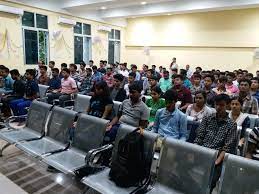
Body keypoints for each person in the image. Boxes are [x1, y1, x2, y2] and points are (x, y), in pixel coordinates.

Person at [194, 94, 237, 193]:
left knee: (210, 180)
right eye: (216, 105)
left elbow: (226, 148)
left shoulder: (231, 125)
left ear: (228, 106)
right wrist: (196, 153)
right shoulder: (207, 118)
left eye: (221, 105)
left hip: (217, 157)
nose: (218, 107)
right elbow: (199, 138)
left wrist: (216, 162)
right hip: (202, 152)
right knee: (181, 166)